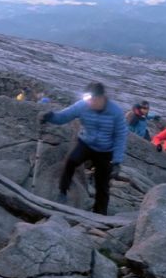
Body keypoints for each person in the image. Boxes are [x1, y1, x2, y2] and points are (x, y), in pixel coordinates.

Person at [39, 82, 127, 215]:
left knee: (102, 183)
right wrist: (50, 117)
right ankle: (62, 192)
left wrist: (117, 161)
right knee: (71, 162)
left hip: (105, 150)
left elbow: (120, 137)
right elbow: (64, 116)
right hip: (86, 143)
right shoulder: (83, 105)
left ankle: (100, 213)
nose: (89, 103)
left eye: (93, 100)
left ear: (101, 97)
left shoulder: (116, 112)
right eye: (88, 99)